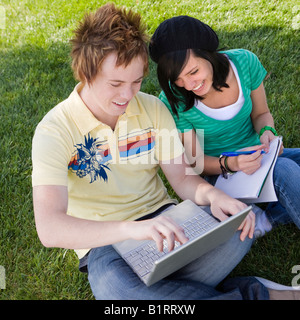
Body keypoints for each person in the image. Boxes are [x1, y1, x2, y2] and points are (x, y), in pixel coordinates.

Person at [32, 4, 296, 300]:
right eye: (116, 84)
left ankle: (170, 293)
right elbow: (50, 228)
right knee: (114, 290)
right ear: (86, 73)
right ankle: (256, 295)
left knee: (235, 232)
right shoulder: (54, 130)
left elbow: (183, 180)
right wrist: (134, 229)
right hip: (106, 244)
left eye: (135, 82)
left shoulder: (153, 108)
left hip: (171, 221)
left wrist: (215, 197)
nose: (127, 96)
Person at [149, 15, 300, 239]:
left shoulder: (244, 63)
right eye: (178, 79)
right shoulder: (174, 98)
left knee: (288, 165)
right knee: (286, 170)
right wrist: (234, 162)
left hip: (258, 157)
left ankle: (266, 218)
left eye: (193, 72)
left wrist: (267, 132)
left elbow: (261, 114)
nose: (189, 85)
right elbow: (196, 163)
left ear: (208, 54)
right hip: (220, 172)